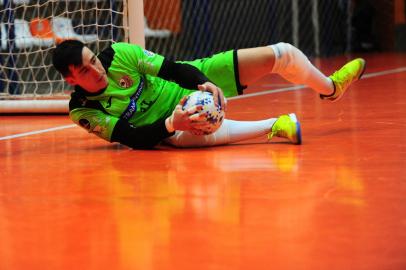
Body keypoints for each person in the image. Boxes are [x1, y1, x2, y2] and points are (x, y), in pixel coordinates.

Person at [52, 40, 366, 149]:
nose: (96, 70)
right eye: (85, 71)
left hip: (187, 82)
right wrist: (171, 124)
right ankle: (275, 125)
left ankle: (330, 88)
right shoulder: (82, 111)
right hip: (170, 123)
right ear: (71, 80)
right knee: (187, 134)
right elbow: (131, 138)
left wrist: (203, 81)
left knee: (282, 53)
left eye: (92, 60)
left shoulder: (120, 54)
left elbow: (174, 69)